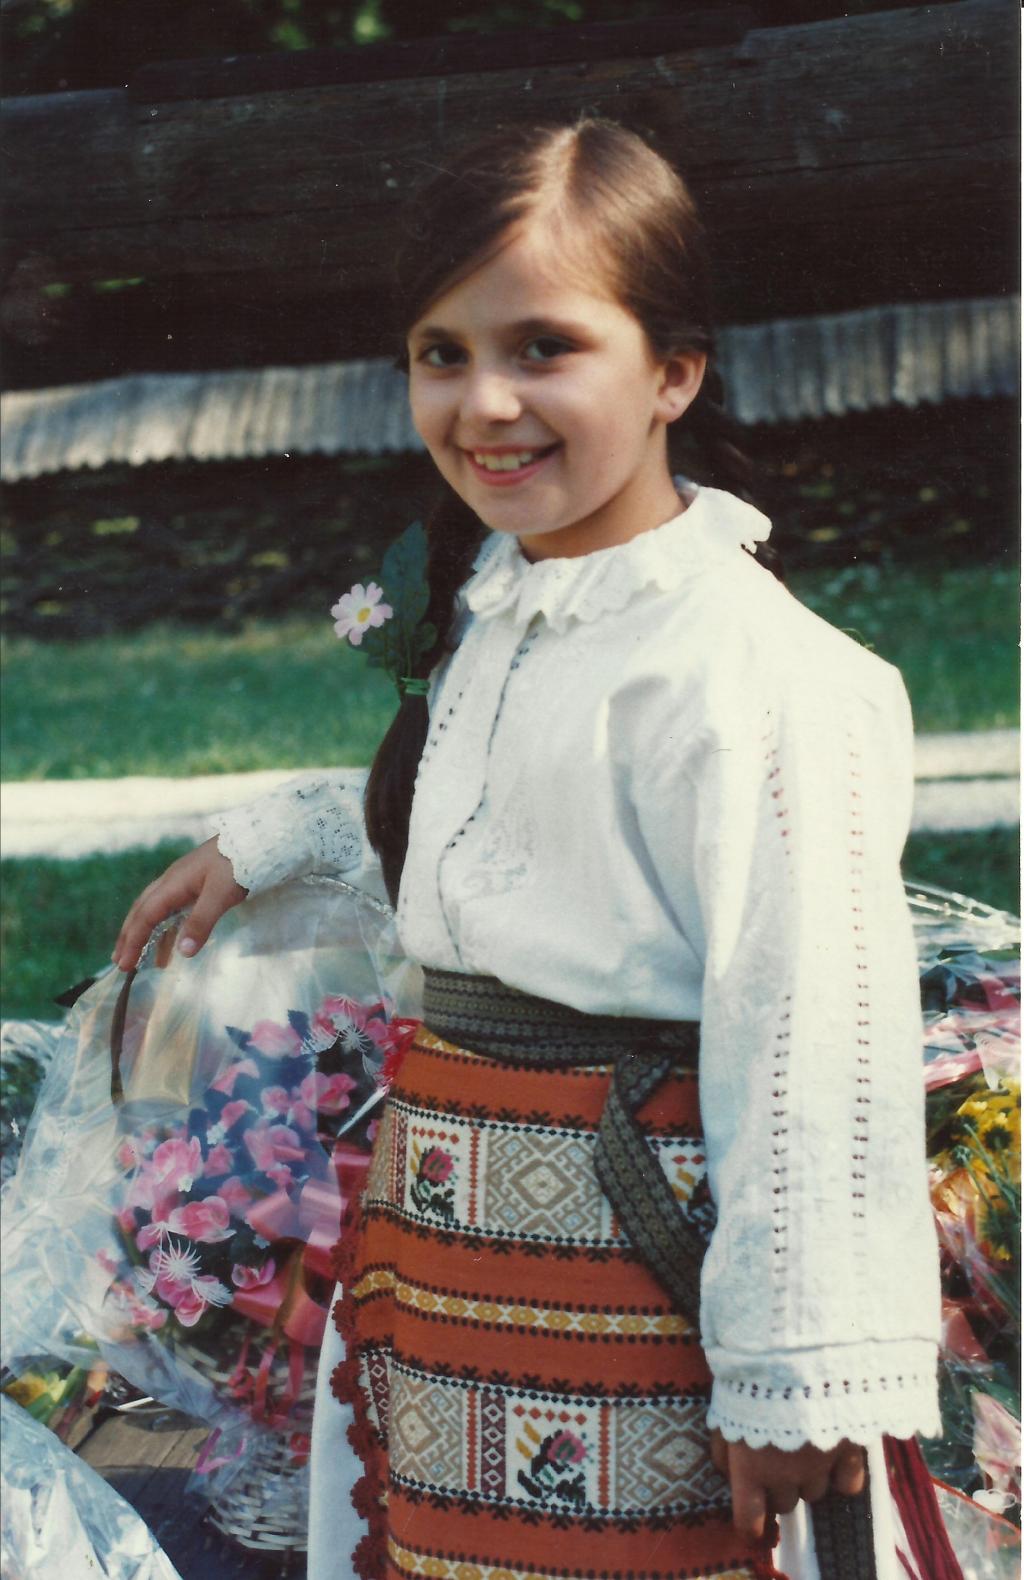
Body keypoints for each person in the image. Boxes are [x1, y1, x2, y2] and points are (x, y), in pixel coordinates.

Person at [114, 120, 951, 1580]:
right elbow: (522, 841)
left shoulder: (760, 674)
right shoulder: (513, 606)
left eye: (545, 347)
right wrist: (279, 836)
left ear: (673, 371)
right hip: (455, 1267)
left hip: (637, 1284)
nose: (485, 402)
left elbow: (815, 1046)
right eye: (442, 354)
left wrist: (796, 1377)